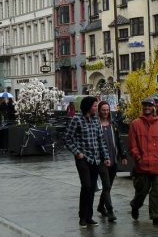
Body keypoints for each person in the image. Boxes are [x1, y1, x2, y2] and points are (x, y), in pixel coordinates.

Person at [64, 96, 110, 228]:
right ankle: (82, 217)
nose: (97, 108)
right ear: (88, 106)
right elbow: (67, 138)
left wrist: (106, 157)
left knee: (92, 189)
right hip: (83, 159)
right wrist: (77, 153)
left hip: (95, 159)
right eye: (95, 106)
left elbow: (101, 140)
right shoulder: (76, 120)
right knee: (86, 186)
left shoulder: (96, 121)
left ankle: (89, 216)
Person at [128, 97, 158, 227]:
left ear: (154, 108)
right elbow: (132, 145)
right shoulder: (135, 124)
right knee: (141, 192)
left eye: (149, 106)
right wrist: (138, 158)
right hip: (142, 166)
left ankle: (156, 217)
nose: (147, 108)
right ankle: (135, 205)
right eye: (145, 105)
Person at [96, 101, 127, 222]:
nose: (105, 112)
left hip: (113, 159)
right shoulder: (96, 124)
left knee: (108, 187)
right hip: (101, 161)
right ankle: (109, 210)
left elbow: (119, 141)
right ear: (99, 110)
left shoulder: (113, 124)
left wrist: (123, 156)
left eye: (107, 110)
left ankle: (100, 207)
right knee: (107, 185)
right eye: (103, 110)